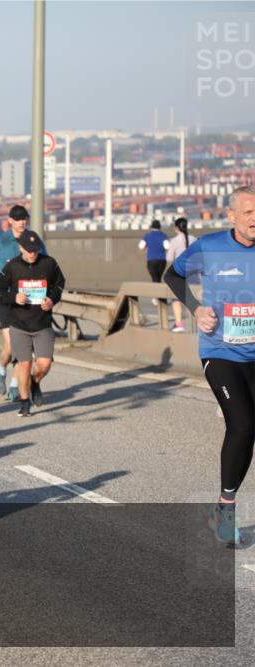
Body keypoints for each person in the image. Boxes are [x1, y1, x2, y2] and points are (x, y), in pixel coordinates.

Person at [164, 185, 255, 545]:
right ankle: (226, 507)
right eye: (247, 211)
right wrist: (197, 308)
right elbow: (173, 275)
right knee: (243, 425)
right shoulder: (210, 247)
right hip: (221, 353)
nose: (254, 217)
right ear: (231, 216)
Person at [0, 230, 65, 417]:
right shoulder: (13, 267)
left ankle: (35, 382)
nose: (32, 253)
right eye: (28, 249)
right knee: (24, 365)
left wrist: (52, 299)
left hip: (42, 325)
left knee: (44, 365)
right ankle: (25, 403)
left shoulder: (49, 263)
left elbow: (60, 283)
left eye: (35, 249)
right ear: (20, 248)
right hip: (20, 325)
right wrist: (13, 297)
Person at [0, 205, 47, 400]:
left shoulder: (34, 238)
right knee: (11, 346)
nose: (21, 222)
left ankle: (15, 385)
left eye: (24, 218)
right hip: (4, 298)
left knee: (23, 345)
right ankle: (1, 370)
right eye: (17, 218)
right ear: (9, 220)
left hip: (28, 298)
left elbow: (46, 261)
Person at [165, 217, 192, 333]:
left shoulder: (175, 241)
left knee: (176, 298)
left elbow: (169, 258)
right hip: (194, 273)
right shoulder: (194, 239)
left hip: (179, 273)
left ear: (176, 228)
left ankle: (179, 323)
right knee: (193, 298)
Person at [139, 220, 170, 284]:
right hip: (162, 260)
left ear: (151, 227)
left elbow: (141, 247)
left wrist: (147, 249)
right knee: (158, 278)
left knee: (155, 278)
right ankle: (158, 292)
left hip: (151, 260)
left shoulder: (147, 236)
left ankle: (156, 292)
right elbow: (167, 247)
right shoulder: (163, 235)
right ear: (160, 227)